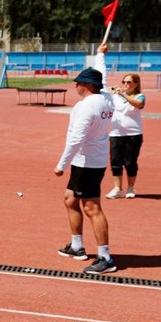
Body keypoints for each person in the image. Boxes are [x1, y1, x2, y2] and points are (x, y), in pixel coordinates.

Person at [54, 64, 117, 274]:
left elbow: (76, 138)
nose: (76, 86)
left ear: (88, 85)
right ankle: (77, 246)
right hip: (91, 160)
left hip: (87, 163)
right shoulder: (106, 98)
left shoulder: (86, 106)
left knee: (92, 208)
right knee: (70, 199)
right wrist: (100, 55)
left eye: (79, 83)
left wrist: (61, 164)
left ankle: (105, 258)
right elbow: (102, 75)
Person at [100, 44, 146, 200]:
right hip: (116, 133)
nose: (126, 84)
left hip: (133, 134)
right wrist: (112, 92)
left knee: (130, 162)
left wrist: (123, 95)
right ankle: (117, 188)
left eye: (129, 82)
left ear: (136, 84)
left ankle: (131, 188)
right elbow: (103, 91)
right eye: (124, 82)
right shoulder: (115, 96)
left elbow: (138, 104)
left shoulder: (139, 96)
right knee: (115, 161)